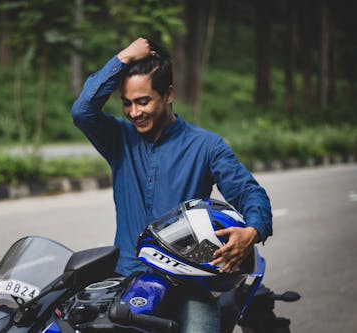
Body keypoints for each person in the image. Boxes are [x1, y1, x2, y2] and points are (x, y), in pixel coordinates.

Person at [70, 37, 272, 332]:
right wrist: (124, 57)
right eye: (127, 103)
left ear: (168, 95)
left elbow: (249, 193)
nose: (134, 112)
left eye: (143, 101)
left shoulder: (206, 146)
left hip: (189, 283)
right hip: (127, 277)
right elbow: (82, 110)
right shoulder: (118, 139)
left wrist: (251, 232)